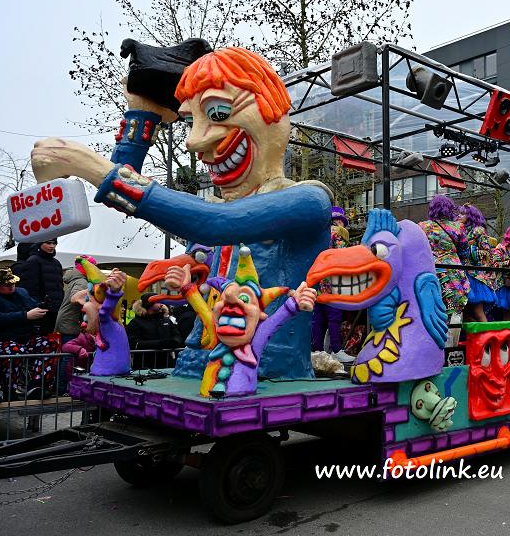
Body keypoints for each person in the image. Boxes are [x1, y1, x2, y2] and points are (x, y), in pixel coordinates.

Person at [32, 47, 332, 379]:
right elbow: (130, 197)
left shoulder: (308, 201)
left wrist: (85, 164)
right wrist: (142, 114)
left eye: (218, 112)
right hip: (197, 361)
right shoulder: (212, 210)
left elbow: (216, 224)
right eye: (190, 122)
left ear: (274, 115)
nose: (193, 141)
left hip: (264, 369)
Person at [0, 267, 59, 399]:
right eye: (7, 284)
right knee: (16, 351)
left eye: (13, 283)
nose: (12, 286)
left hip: (26, 336)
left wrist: (43, 305)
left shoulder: (21, 292)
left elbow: (32, 305)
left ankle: (38, 386)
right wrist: (25, 316)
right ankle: (9, 389)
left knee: (49, 344)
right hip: (2, 339)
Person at [312, 206, 355, 362]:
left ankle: (317, 351)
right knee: (334, 317)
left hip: (317, 281)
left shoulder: (318, 235)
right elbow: (343, 257)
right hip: (332, 283)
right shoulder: (337, 235)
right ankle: (336, 349)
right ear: (338, 221)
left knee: (318, 318)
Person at [418, 195, 470, 318]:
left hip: (431, 270)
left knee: (432, 306)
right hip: (453, 271)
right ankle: (453, 329)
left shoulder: (422, 226)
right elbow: (465, 252)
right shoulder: (457, 227)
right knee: (455, 308)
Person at [457, 204, 497, 323]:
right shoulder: (458, 229)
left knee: (477, 311)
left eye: (463, 214)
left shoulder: (478, 230)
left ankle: (487, 334)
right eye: (459, 213)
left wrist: (470, 250)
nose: (459, 216)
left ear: (470, 216)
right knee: (464, 312)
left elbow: (487, 253)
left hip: (474, 276)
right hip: (461, 274)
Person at [14, 239, 64, 334]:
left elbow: (59, 287)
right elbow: (29, 288)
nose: (52, 246)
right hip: (41, 311)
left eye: (54, 243)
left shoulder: (56, 263)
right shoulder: (33, 261)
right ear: (39, 244)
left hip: (57, 310)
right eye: (48, 243)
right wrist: (38, 306)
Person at [125, 293, 184, 369]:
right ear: (149, 304)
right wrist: (159, 344)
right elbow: (133, 343)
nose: (162, 304)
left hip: (166, 365)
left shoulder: (165, 320)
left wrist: (174, 342)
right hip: (144, 366)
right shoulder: (135, 322)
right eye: (158, 301)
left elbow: (177, 335)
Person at [55, 255, 97, 345]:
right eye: (93, 267)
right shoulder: (82, 282)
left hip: (66, 322)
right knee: (70, 352)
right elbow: (75, 298)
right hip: (71, 325)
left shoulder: (76, 279)